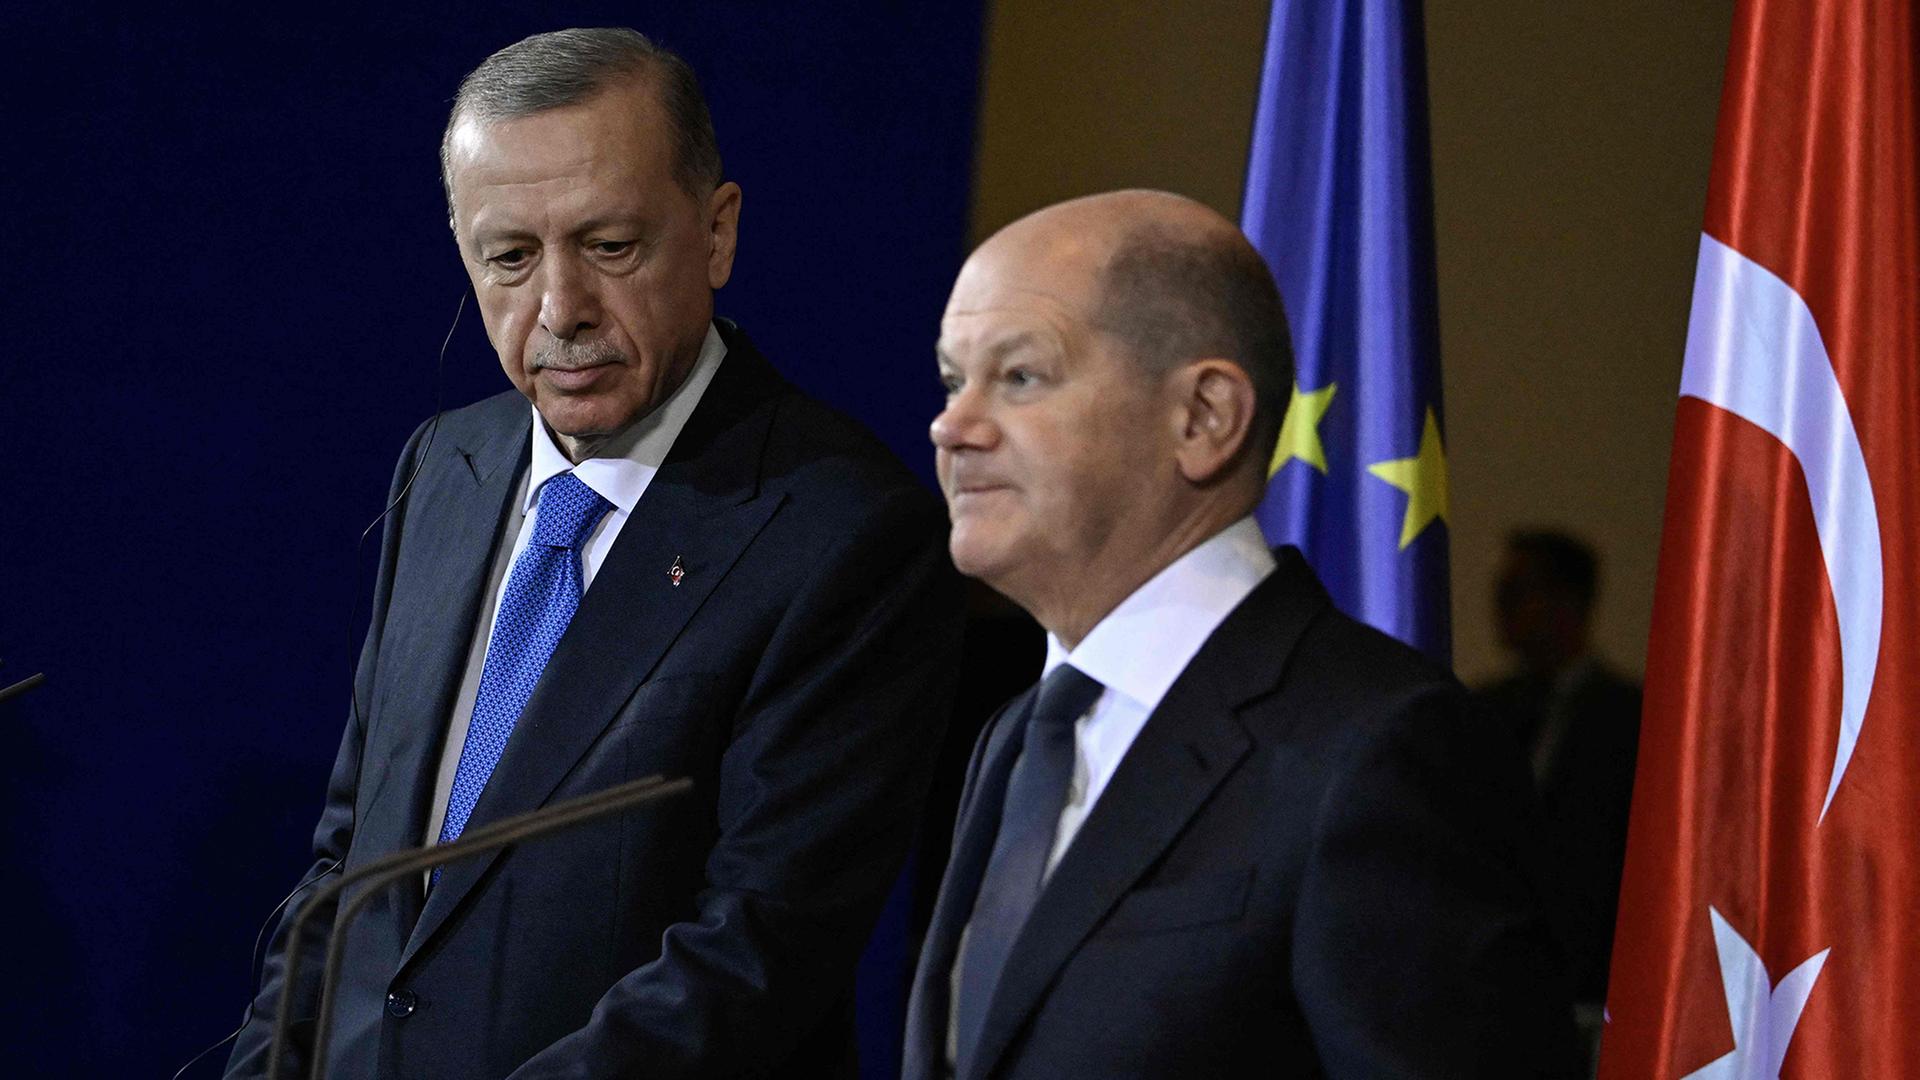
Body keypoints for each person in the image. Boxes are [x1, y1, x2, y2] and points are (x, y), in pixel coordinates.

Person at [225, 28, 962, 1079]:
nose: (560, 309)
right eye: (510, 258)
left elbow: (753, 957)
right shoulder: (447, 464)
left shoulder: (842, 531)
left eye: (610, 246)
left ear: (716, 232)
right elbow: (351, 862)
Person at [904, 190, 1577, 1079]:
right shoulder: (1017, 737)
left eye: (1020, 376)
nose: (951, 426)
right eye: (954, 380)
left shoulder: (1382, 746)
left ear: (1204, 417)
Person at [1478, 530, 1641, 1008]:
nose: (1500, 607)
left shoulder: (1632, 720)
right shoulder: (1481, 710)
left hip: (1592, 985)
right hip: (1492, 977)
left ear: (1568, 602)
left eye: (1516, 591)